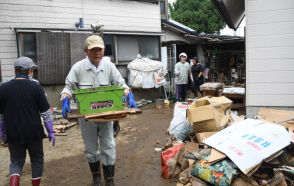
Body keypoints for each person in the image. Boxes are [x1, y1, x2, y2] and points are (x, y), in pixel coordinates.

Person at [60, 35, 129, 186]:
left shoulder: (109, 66)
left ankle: (109, 180)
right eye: (93, 50)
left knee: (109, 146)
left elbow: (121, 83)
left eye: (100, 49)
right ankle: (96, 178)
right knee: (91, 149)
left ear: (103, 50)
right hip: (87, 117)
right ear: (86, 51)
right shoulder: (78, 67)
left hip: (106, 115)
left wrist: (127, 93)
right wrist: (65, 97)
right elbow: (69, 86)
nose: (97, 52)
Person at [0, 57, 55, 186]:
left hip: (13, 132)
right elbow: (46, 113)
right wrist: (51, 131)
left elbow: (1, 115)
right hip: (33, 132)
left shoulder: (3, 89)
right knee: (37, 160)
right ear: (29, 71)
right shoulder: (36, 88)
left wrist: (2, 132)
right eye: (32, 70)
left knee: (16, 161)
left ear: (16, 70)